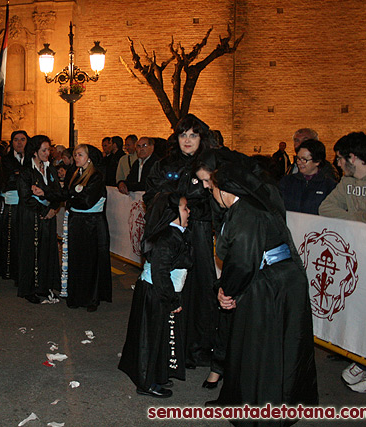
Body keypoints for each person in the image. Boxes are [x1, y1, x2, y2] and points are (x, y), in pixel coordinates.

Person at [200, 161, 318, 424]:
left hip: (270, 287)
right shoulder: (251, 206)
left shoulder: (246, 213)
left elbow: (242, 261)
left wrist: (226, 291)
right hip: (276, 283)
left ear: (225, 189)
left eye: (212, 187)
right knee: (268, 346)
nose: (210, 191)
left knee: (262, 350)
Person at [144, 114, 217, 371]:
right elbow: (153, 195)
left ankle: (198, 348)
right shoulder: (164, 164)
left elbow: (216, 201)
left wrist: (189, 205)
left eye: (193, 135)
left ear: (201, 138)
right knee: (173, 288)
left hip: (198, 233)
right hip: (172, 232)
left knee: (200, 288)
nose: (187, 140)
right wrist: (176, 204)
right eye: (183, 135)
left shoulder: (211, 164)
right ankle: (172, 346)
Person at [319, 131, 366, 393]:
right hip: (362, 256)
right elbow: (325, 208)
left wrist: (351, 216)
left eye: (339, 158)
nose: (336, 163)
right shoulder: (347, 183)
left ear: (353, 157)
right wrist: (362, 217)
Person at [118, 192, 192, 398]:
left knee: (158, 336)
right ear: (172, 213)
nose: (189, 212)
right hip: (156, 292)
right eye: (185, 208)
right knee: (150, 339)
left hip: (158, 291)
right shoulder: (167, 237)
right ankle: (146, 381)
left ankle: (157, 373)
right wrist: (172, 299)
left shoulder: (174, 232)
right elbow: (161, 273)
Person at [39, 144, 112, 311]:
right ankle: (76, 296)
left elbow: (86, 201)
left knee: (90, 261)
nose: (76, 157)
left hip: (91, 224)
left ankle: (91, 299)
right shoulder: (75, 174)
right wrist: (46, 193)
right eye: (75, 155)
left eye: (79, 154)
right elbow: (67, 194)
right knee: (76, 259)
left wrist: (71, 198)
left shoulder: (96, 176)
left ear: (89, 158)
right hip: (77, 222)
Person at [17, 135, 61, 303]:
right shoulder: (26, 171)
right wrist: (44, 210)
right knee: (32, 251)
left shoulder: (50, 169)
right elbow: (25, 196)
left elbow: (57, 191)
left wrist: (53, 207)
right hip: (32, 216)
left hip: (48, 216)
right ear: (34, 152)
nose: (47, 153)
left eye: (49, 149)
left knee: (47, 250)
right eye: (44, 150)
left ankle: (46, 286)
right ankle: (31, 289)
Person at [0, 130, 28, 282]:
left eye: (22, 139)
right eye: (16, 139)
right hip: (12, 203)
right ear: (11, 142)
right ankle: (11, 271)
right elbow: (9, 178)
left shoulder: (31, 158)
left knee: (25, 239)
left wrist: (19, 174)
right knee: (11, 238)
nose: (19, 142)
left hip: (27, 203)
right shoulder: (6, 159)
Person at [279, 139, 337, 215]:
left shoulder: (329, 186)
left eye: (304, 160)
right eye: (298, 159)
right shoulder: (287, 181)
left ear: (317, 161)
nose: (299, 163)